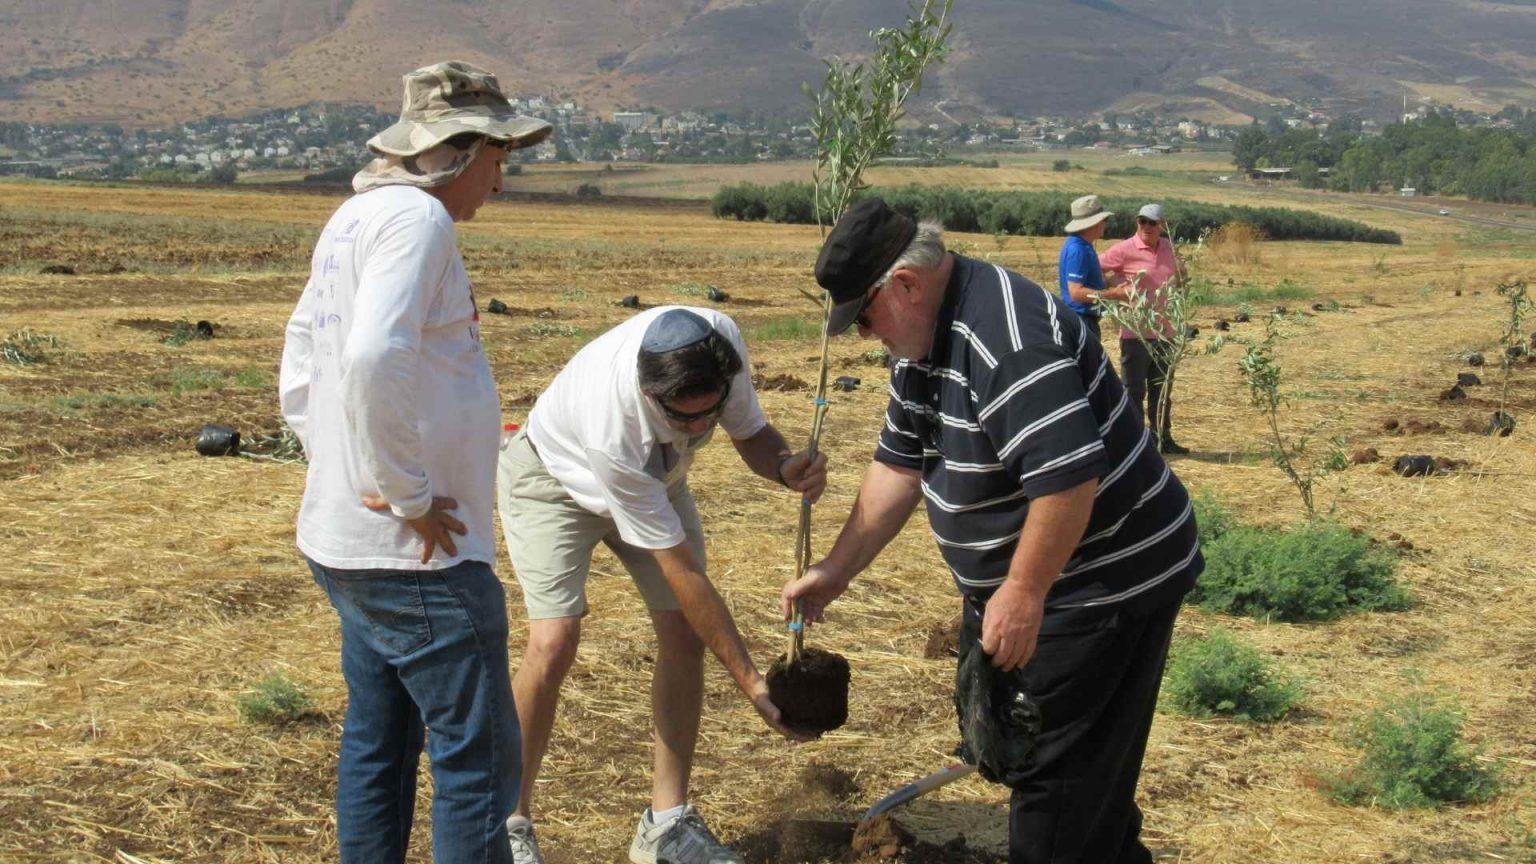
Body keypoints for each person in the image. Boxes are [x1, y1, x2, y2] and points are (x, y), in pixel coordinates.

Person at [784, 198, 1203, 864]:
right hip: (1064, 578)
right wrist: (835, 569)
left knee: (1054, 789)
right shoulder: (921, 337)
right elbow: (900, 462)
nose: (866, 336)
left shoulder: (1002, 337)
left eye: (863, 317)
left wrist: (1023, 590)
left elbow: (1066, 480)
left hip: (1104, 581)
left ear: (905, 285)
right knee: (1085, 784)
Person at [278, 61, 551, 864]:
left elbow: (301, 360)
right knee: (480, 761)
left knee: (380, 741)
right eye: (499, 158)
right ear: (459, 152)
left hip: (348, 545)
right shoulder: (417, 223)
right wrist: (405, 493)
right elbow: (369, 356)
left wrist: (338, 463)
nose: (500, 182)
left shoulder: (353, 219)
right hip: (418, 561)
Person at [498, 306, 826, 864]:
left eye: (709, 415)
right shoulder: (614, 426)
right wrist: (752, 684)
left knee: (682, 636)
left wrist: (782, 466)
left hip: (659, 482)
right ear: (652, 396)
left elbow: (749, 431)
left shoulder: (718, 343)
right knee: (554, 642)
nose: (701, 430)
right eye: (685, 419)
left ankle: (666, 826)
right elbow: (684, 576)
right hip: (554, 481)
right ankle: (508, 820)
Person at [1100, 203, 1190, 454]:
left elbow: (1182, 278)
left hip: (1166, 332)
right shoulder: (1124, 249)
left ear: (1163, 225)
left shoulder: (1169, 248)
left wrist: (1181, 280)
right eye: (1142, 221)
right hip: (1135, 332)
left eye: (1152, 222)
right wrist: (1115, 288)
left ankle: (1163, 438)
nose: (1146, 227)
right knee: (1134, 390)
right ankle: (1134, 443)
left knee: (1162, 390)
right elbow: (1094, 269)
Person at [1057, 194, 1131, 341]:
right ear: (1094, 223)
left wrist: (1108, 281)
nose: (1105, 224)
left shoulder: (1083, 245)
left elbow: (1086, 284)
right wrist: (1114, 294)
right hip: (1081, 321)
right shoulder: (1078, 250)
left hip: (1083, 320)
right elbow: (1076, 293)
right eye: (1105, 220)